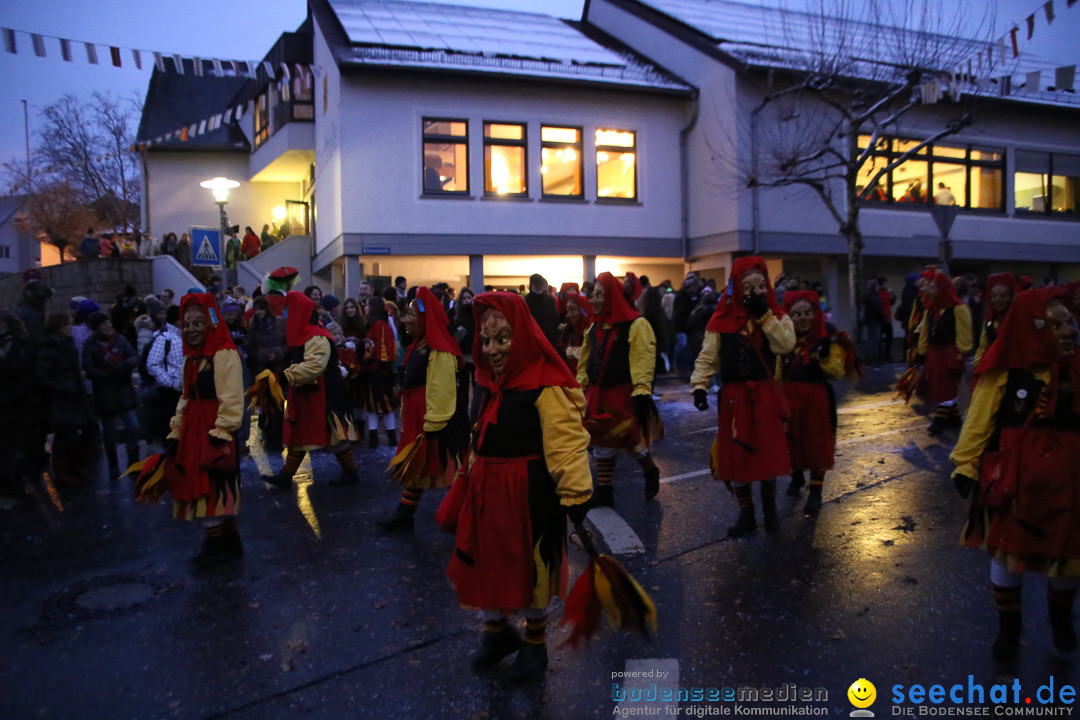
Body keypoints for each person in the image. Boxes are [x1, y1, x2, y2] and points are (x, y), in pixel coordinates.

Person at [442, 291, 591, 680]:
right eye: (487, 340)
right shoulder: (487, 382)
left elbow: (566, 442)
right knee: (485, 562)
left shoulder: (545, 383)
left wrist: (575, 493)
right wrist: (467, 475)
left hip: (529, 494)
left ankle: (535, 645)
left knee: (529, 567)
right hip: (486, 492)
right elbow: (479, 437)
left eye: (503, 339)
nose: (491, 349)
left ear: (521, 336)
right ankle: (496, 633)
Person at [950, 287, 1080, 660]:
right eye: (1055, 325)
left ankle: (1060, 618)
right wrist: (966, 465)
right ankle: (1009, 629)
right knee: (1007, 555)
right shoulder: (1003, 373)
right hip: (1015, 480)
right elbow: (978, 421)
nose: (1068, 332)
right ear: (1031, 328)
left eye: (1069, 322)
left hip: (1070, 481)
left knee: (1070, 555)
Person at [691, 256, 795, 537]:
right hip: (734, 398)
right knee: (738, 459)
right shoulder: (720, 319)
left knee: (766, 456)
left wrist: (764, 317)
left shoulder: (774, 316)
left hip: (763, 394)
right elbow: (707, 356)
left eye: (760, 287)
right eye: (748, 287)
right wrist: (699, 385)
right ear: (737, 288)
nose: (755, 293)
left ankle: (770, 510)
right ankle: (746, 513)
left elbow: (786, 345)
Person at [164, 293, 245, 568]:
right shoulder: (192, 358)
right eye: (187, 324)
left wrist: (221, 430)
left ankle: (216, 546)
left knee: (214, 487)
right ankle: (231, 543)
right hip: (194, 430)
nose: (191, 329)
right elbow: (185, 396)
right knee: (213, 486)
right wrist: (176, 431)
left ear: (210, 323)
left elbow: (232, 396)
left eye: (198, 323)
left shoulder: (223, 353)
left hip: (214, 429)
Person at [378, 287, 467, 530]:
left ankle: (469, 519)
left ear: (425, 319)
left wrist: (433, 424)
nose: (405, 320)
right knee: (420, 465)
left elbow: (443, 390)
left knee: (448, 468)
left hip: (435, 421)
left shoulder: (438, 351)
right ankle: (404, 513)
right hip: (420, 417)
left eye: (410, 316)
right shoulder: (421, 345)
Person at [577, 271, 662, 506]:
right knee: (601, 440)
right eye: (593, 295)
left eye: (599, 295)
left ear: (612, 296)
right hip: (598, 393)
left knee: (632, 440)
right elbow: (586, 360)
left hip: (623, 393)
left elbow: (643, 357)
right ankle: (605, 490)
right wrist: (580, 386)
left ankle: (650, 470)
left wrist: (643, 389)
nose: (593, 300)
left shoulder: (636, 324)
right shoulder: (593, 327)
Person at [261, 292, 360, 488]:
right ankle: (286, 476)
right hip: (308, 392)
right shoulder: (305, 333)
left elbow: (315, 365)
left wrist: (284, 375)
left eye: (291, 311)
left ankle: (351, 472)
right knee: (299, 433)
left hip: (326, 393)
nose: (288, 315)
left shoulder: (316, 335)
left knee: (335, 434)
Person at [778, 291, 860, 514]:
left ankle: (816, 490)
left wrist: (822, 358)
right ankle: (796, 477)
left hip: (816, 400)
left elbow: (837, 371)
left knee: (817, 443)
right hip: (790, 399)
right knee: (791, 439)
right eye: (797, 314)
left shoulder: (827, 341)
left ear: (816, 315)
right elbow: (777, 373)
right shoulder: (784, 343)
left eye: (807, 313)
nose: (803, 317)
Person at [37, 312, 100, 485]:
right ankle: (64, 470)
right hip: (62, 398)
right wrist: (63, 387)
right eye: (67, 325)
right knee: (66, 435)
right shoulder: (50, 347)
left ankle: (74, 466)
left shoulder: (66, 344)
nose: (70, 328)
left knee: (77, 432)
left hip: (73, 395)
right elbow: (43, 375)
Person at [82, 311, 140, 478]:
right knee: (109, 431)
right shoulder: (90, 346)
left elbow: (134, 357)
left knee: (133, 425)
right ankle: (113, 465)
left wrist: (123, 366)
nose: (108, 326)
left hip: (123, 389)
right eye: (104, 324)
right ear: (96, 328)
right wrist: (110, 373)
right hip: (105, 393)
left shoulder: (120, 340)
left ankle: (133, 462)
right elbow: (90, 369)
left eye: (108, 322)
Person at [915, 272, 973, 434]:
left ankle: (940, 419)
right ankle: (954, 418)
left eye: (933, 287)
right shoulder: (931, 311)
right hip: (934, 354)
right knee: (937, 386)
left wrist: (963, 350)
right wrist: (922, 351)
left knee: (946, 386)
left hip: (948, 354)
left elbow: (964, 332)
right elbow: (925, 333)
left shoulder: (958, 309)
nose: (929, 290)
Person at [245, 295, 287, 450]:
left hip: (278, 369)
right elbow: (251, 349)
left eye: (261, 308)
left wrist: (277, 353)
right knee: (265, 404)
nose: (258, 312)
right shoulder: (253, 327)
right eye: (256, 309)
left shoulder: (280, 323)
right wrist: (263, 354)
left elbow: (286, 343)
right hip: (262, 370)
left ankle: (278, 437)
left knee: (278, 403)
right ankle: (269, 437)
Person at [0, 312, 35, 495]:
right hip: (7, 402)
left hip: (16, 403)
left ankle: (16, 480)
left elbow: (16, 370)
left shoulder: (19, 344)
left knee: (15, 444)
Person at [361, 296, 398, 448]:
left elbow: (384, 351)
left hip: (379, 372)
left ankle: (391, 436)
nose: (365, 308)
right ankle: (373, 436)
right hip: (371, 371)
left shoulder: (380, 325)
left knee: (385, 406)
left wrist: (371, 364)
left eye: (368, 305)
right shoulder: (372, 325)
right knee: (371, 406)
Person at [145, 305, 184, 448]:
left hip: (185, 392)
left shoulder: (185, 336)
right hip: (171, 393)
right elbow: (153, 364)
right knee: (170, 431)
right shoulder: (164, 338)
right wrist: (170, 382)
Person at [973, 273, 1018, 368]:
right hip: (990, 370)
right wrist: (977, 364)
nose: (997, 300)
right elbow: (982, 347)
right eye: (993, 296)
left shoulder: (1018, 321)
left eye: (1002, 296)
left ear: (1011, 297)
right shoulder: (989, 323)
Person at [557, 290, 592, 377]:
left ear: (583, 310)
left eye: (573, 310)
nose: (568, 315)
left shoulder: (592, 332)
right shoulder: (570, 332)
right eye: (568, 310)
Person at [525, 273, 560, 348]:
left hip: (549, 337)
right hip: (533, 337)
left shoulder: (550, 299)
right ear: (532, 285)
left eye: (540, 285)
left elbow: (554, 318)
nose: (539, 287)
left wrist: (555, 335)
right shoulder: (526, 300)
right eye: (537, 285)